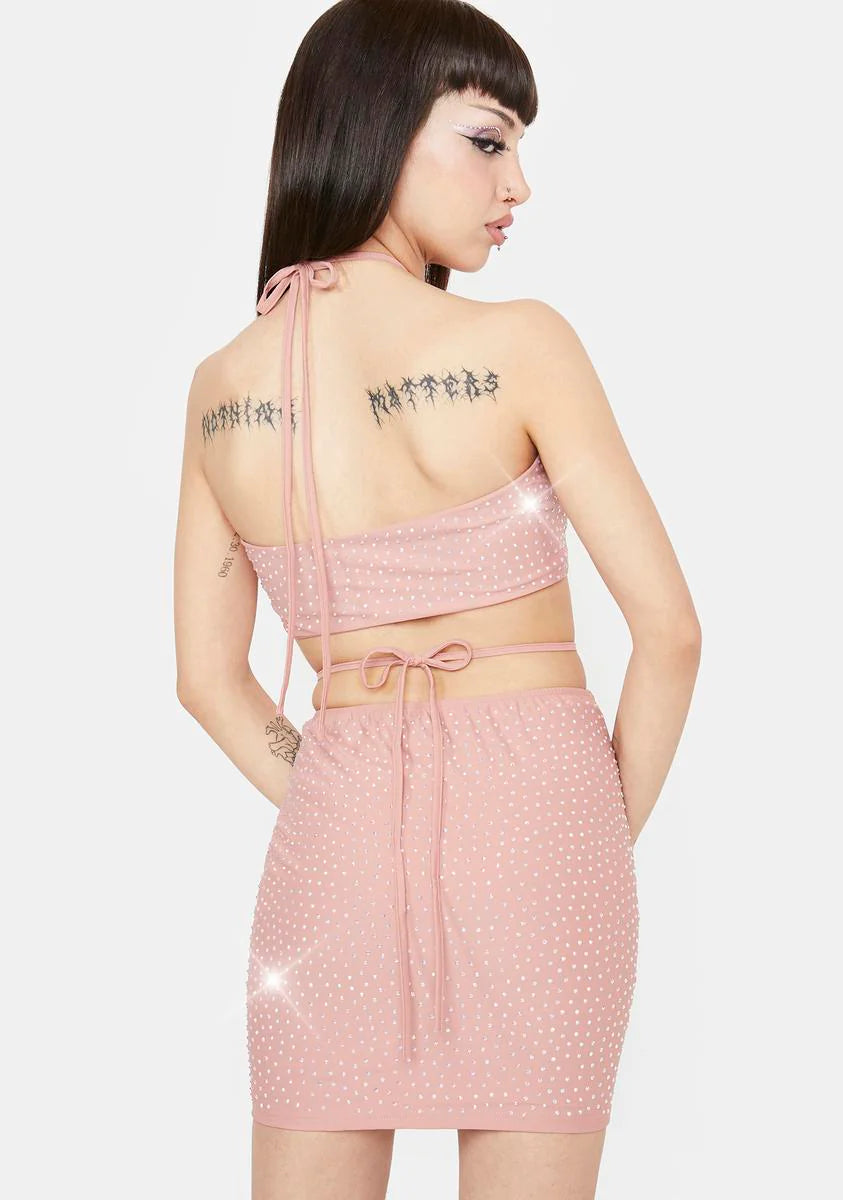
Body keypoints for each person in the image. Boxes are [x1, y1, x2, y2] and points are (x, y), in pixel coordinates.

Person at [174, 1, 702, 1195]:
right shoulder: (522, 343)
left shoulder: (222, 389)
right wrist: (588, 838)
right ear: (376, 125)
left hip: (337, 832)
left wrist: (338, 794)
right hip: (542, 820)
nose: (519, 185)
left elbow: (207, 680)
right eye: (488, 138)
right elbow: (670, 632)